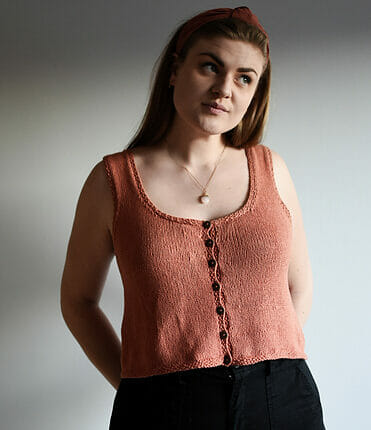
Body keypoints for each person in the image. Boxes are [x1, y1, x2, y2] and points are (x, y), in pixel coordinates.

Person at [60, 6, 326, 430]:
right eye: (210, 66)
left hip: (283, 399)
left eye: (244, 78)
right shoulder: (113, 181)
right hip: (162, 404)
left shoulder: (271, 169)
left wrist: (273, 362)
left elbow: (300, 285)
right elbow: (78, 301)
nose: (224, 89)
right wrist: (133, 386)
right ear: (174, 70)